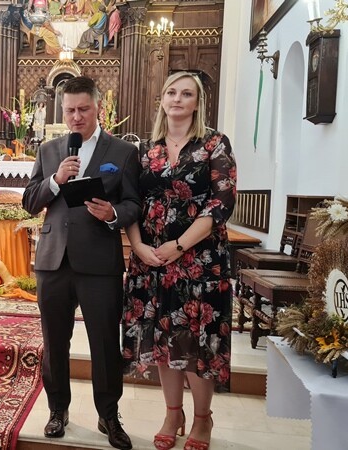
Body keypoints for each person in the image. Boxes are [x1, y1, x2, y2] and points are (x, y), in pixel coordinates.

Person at [22, 76, 141, 450]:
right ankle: (58, 410)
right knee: (54, 341)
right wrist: (55, 180)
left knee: (104, 342)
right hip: (53, 259)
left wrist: (112, 214)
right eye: (70, 110)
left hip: (99, 261)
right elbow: (30, 201)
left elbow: (134, 204)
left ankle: (109, 415)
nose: (76, 117)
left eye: (83, 109)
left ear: (98, 108)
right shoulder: (49, 150)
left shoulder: (123, 152)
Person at [121, 71, 236, 450]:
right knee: (164, 338)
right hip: (152, 261)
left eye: (186, 94)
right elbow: (131, 202)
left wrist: (180, 245)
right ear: (162, 100)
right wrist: (137, 246)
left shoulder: (214, 144)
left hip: (200, 261)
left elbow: (221, 202)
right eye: (171, 92)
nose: (177, 99)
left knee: (197, 342)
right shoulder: (145, 150)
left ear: (198, 102)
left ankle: (202, 419)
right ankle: (173, 413)